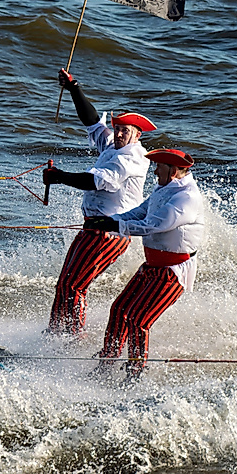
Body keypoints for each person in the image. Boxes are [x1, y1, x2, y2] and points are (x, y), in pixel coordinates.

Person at [43, 68, 155, 336]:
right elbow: (93, 122)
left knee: (75, 286)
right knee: (64, 284)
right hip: (92, 227)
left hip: (109, 232)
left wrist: (58, 177)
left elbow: (94, 181)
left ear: (137, 135)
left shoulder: (130, 159)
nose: (118, 134)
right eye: (117, 129)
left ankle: (72, 338)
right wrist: (74, 88)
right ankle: (55, 333)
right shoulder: (113, 146)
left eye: (124, 131)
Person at [85, 148, 204, 377]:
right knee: (119, 309)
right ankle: (106, 364)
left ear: (173, 170)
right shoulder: (165, 188)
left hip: (173, 271)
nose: (155, 170)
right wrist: (109, 220)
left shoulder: (187, 197)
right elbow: (140, 212)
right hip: (152, 266)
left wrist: (115, 227)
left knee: (139, 320)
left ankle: (135, 373)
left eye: (159, 166)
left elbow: (154, 224)